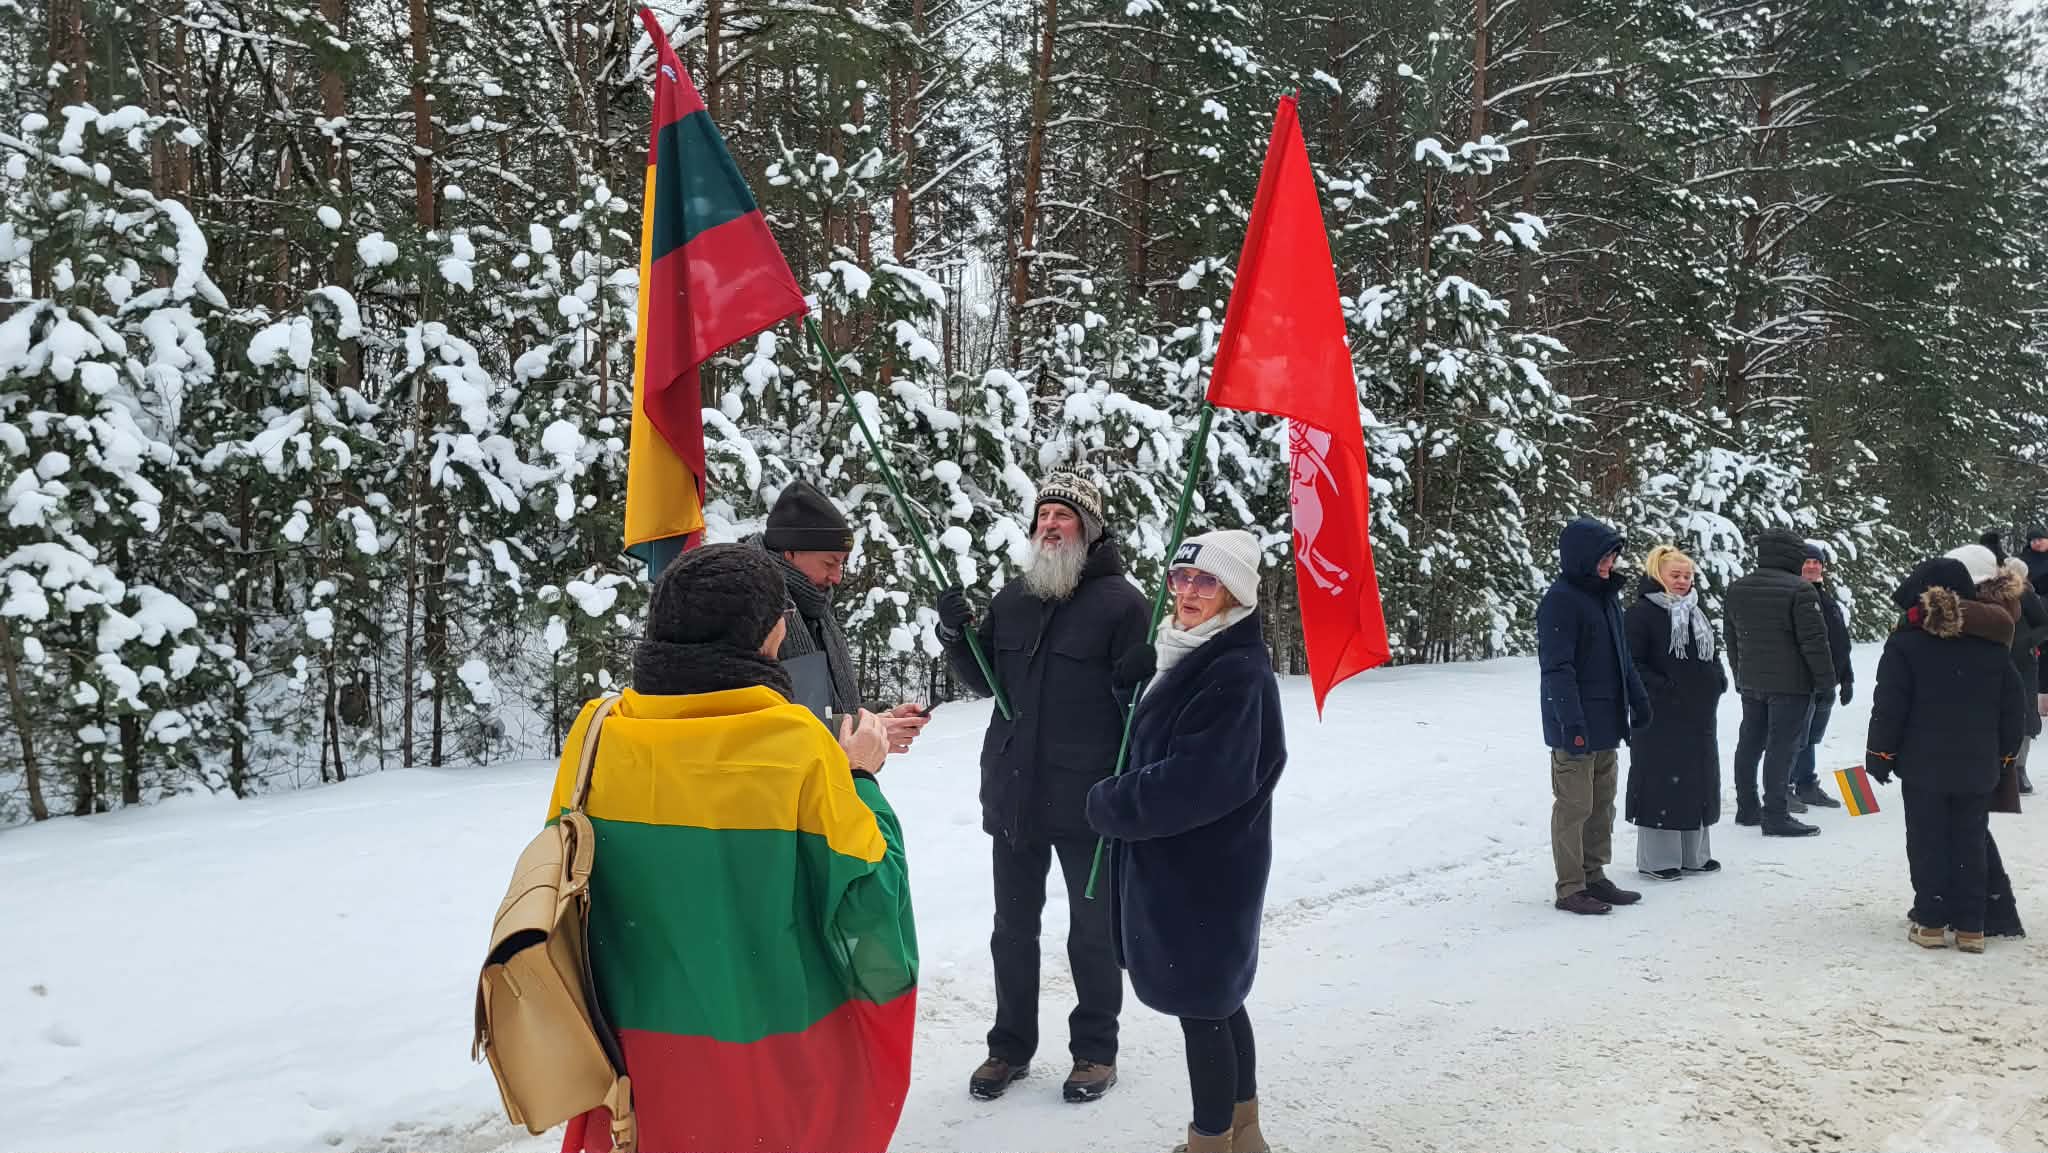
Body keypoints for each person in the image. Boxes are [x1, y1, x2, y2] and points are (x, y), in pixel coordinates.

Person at [551, 544, 917, 1153]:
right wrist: (861, 778)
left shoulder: (595, 733)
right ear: (766, 634)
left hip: (633, 1059)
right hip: (763, 1055)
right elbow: (871, 902)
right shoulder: (797, 745)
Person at [935, 470, 1151, 1104]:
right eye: (1043, 517)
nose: (1050, 526)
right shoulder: (1015, 598)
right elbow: (985, 682)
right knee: (1012, 929)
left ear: (1090, 529)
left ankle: (1095, 1051)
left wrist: (1139, 680)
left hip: (1089, 798)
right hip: (1014, 793)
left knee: (1092, 931)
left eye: (1064, 516)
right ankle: (1008, 1048)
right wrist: (957, 637)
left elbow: (1141, 707)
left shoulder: (1124, 604)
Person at [1085, 529, 1285, 1153]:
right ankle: (1244, 1134)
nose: (1187, 592)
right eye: (1179, 578)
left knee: (1204, 1012)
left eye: (1205, 582)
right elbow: (1160, 738)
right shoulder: (1187, 650)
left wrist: (1111, 802)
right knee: (1220, 1002)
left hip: (1205, 873)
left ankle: (1211, 1142)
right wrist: (1131, 690)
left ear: (1236, 594)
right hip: (1186, 869)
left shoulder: (1236, 670)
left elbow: (1201, 780)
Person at [1865, 557, 2025, 953]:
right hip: (1977, 763)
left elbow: (1889, 705)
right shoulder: (1992, 644)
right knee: (1969, 840)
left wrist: (1880, 755)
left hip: (1923, 765)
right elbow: (2012, 706)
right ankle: (1972, 925)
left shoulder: (1907, 642)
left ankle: (1931, 919)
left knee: (1927, 840)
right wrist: (2006, 755)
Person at [754, 480, 930, 751]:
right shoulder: (750, 609)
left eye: (841, 564)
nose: (836, 577)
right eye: (829, 563)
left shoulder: (813, 607)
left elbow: (819, 705)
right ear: (789, 553)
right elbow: (760, 730)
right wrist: (865, 732)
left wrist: (877, 719)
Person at [1537, 517, 1652, 916]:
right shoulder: (1561, 600)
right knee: (1575, 806)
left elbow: (1623, 660)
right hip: (1575, 724)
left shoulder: (1606, 598)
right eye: (1605, 557)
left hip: (1608, 721)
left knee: (1602, 804)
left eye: (1614, 556)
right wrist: (1571, 721)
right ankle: (1570, 887)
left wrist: (1638, 700)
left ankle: (1594, 875)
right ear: (1583, 558)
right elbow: (1557, 669)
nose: (1610, 564)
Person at [1623, 546, 1728, 880]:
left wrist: (1717, 679)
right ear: (1658, 575)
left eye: (1688, 576)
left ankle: (1694, 855)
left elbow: (1711, 652)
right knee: (1662, 783)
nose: (1683, 582)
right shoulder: (1641, 613)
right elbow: (1631, 663)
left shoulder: (1697, 611)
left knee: (1697, 779)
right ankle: (1658, 860)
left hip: (1698, 713)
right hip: (1659, 714)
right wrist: (1666, 688)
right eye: (1675, 575)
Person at [1724, 528, 1837, 837]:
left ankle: (1747, 808)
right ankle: (1776, 814)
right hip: (1792, 685)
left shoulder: (1737, 588)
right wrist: (1826, 684)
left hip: (1752, 682)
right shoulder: (1800, 591)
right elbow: (1814, 643)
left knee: (1749, 743)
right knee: (1781, 747)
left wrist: (1740, 674)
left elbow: (1731, 639)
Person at [1980, 534, 2048, 795]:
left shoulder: (2025, 593)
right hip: (1993, 662)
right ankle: (1998, 770)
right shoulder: (1984, 593)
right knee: (1996, 715)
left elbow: (2043, 623)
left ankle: (2019, 769)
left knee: (2025, 716)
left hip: (2023, 663)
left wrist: (2028, 642)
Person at [1789, 543, 1853, 811]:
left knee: (1812, 737)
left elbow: (1840, 640)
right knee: (1795, 737)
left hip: (1828, 682)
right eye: (1808, 561)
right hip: (1804, 681)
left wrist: (1846, 677)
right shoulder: (1792, 596)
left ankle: (1806, 784)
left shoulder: (1825, 599)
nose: (1813, 566)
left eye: (1817, 562)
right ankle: (1785, 787)